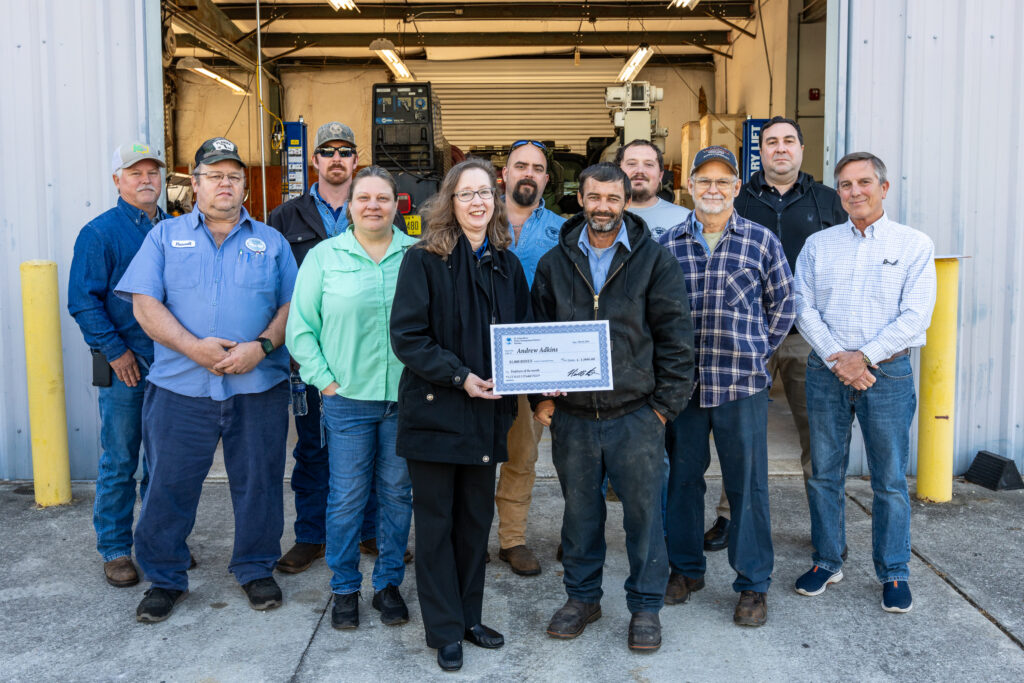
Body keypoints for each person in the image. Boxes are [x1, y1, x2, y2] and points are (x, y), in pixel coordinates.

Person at [115, 137, 297, 623]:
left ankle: (256, 568)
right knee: (169, 485)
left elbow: (292, 307)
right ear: (194, 183)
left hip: (256, 387)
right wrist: (194, 348)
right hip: (180, 388)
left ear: (244, 186)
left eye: (234, 176)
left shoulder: (271, 242)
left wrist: (261, 347)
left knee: (259, 483)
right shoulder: (163, 238)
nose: (224, 183)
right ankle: (165, 577)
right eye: (214, 175)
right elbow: (144, 305)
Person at [532, 162, 694, 652]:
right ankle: (582, 599)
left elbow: (677, 341)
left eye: (613, 198)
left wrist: (662, 410)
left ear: (626, 202)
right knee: (580, 516)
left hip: (636, 416)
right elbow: (537, 335)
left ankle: (645, 606)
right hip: (574, 420)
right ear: (579, 199)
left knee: (645, 518)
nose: (603, 207)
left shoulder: (655, 261)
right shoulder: (553, 263)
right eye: (594, 197)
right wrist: (541, 397)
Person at [390, 158, 531, 671]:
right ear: (450, 202)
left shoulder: (506, 264)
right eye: (466, 193)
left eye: (485, 194)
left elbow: (524, 336)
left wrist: (543, 374)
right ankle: (444, 629)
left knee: (475, 522)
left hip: (489, 418)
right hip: (436, 414)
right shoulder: (423, 260)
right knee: (435, 526)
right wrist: (459, 376)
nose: (477, 202)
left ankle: (470, 617)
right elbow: (408, 337)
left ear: (495, 202)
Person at [793, 152, 935, 613]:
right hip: (826, 372)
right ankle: (827, 560)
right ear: (839, 193)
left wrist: (862, 358)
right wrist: (839, 359)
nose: (855, 191)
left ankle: (894, 572)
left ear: (884, 188)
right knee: (823, 475)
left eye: (864, 182)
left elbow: (916, 315)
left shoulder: (914, 244)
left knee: (889, 479)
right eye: (846, 184)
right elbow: (803, 308)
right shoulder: (818, 245)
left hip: (887, 372)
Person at [659, 146, 794, 628]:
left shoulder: (760, 241)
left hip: (741, 386)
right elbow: (653, 313)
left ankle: (753, 584)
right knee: (682, 483)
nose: (712, 189)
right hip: (684, 389)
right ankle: (685, 570)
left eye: (722, 181)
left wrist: (757, 351)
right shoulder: (667, 243)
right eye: (704, 180)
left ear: (736, 188)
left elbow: (784, 305)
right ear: (690, 187)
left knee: (748, 487)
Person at [701, 117, 848, 552]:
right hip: (743, 335)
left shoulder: (828, 201)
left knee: (818, 434)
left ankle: (826, 526)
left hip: (809, 334)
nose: (779, 149)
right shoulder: (735, 198)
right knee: (737, 431)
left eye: (788, 141)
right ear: (758, 151)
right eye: (770, 142)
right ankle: (731, 516)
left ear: (802, 148)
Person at [285, 166, 418, 629]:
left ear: (398, 204)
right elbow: (300, 328)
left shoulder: (416, 256)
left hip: (405, 400)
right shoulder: (324, 256)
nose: (373, 206)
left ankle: (387, 586)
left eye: (383, 198)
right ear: (351, 205)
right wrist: (326, 381)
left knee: (398, 495)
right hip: (347, 400)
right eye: (364, 198)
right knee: (346, 497)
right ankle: (344, 588)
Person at [270, 121, 399, 573]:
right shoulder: (284, 217)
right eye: (328, 151)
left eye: (346, 151)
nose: (337, 159)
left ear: (356, 161)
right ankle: (310, 536)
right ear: (315, 161)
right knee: (311, 450)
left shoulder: (379, 211)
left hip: (367, 361)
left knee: (374, 457)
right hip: (310, 363)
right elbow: (276, 290)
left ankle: (368, 532)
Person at [68, 141, 169, 588]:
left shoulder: (175, 227)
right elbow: (82, 301)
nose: (146, 180)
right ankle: (114, 548)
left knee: (165, 461)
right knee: (121, 459)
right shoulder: (100, 233)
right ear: (117, 181)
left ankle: (158, 543)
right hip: (125, 365)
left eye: (152, 172)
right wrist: (115, 351)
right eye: (135, 173)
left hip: (170, 363)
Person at [494, 139, 562, 576]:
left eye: (537, 168)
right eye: (521, 165)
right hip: (475, 356)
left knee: (522, 455)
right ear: (504, 173)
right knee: (471, 456)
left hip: (533, 360)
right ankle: (465, 534)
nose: (528, 174)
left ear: (546, 180)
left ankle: (512, 539)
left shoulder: (563, 229)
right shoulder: (476, 215)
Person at [615, 139, 690, 240]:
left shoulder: (685, 220)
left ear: (660, 175)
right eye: (632, 164)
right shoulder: (602, 216)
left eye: (649, 164)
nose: (640, 171)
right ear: (618, 172)